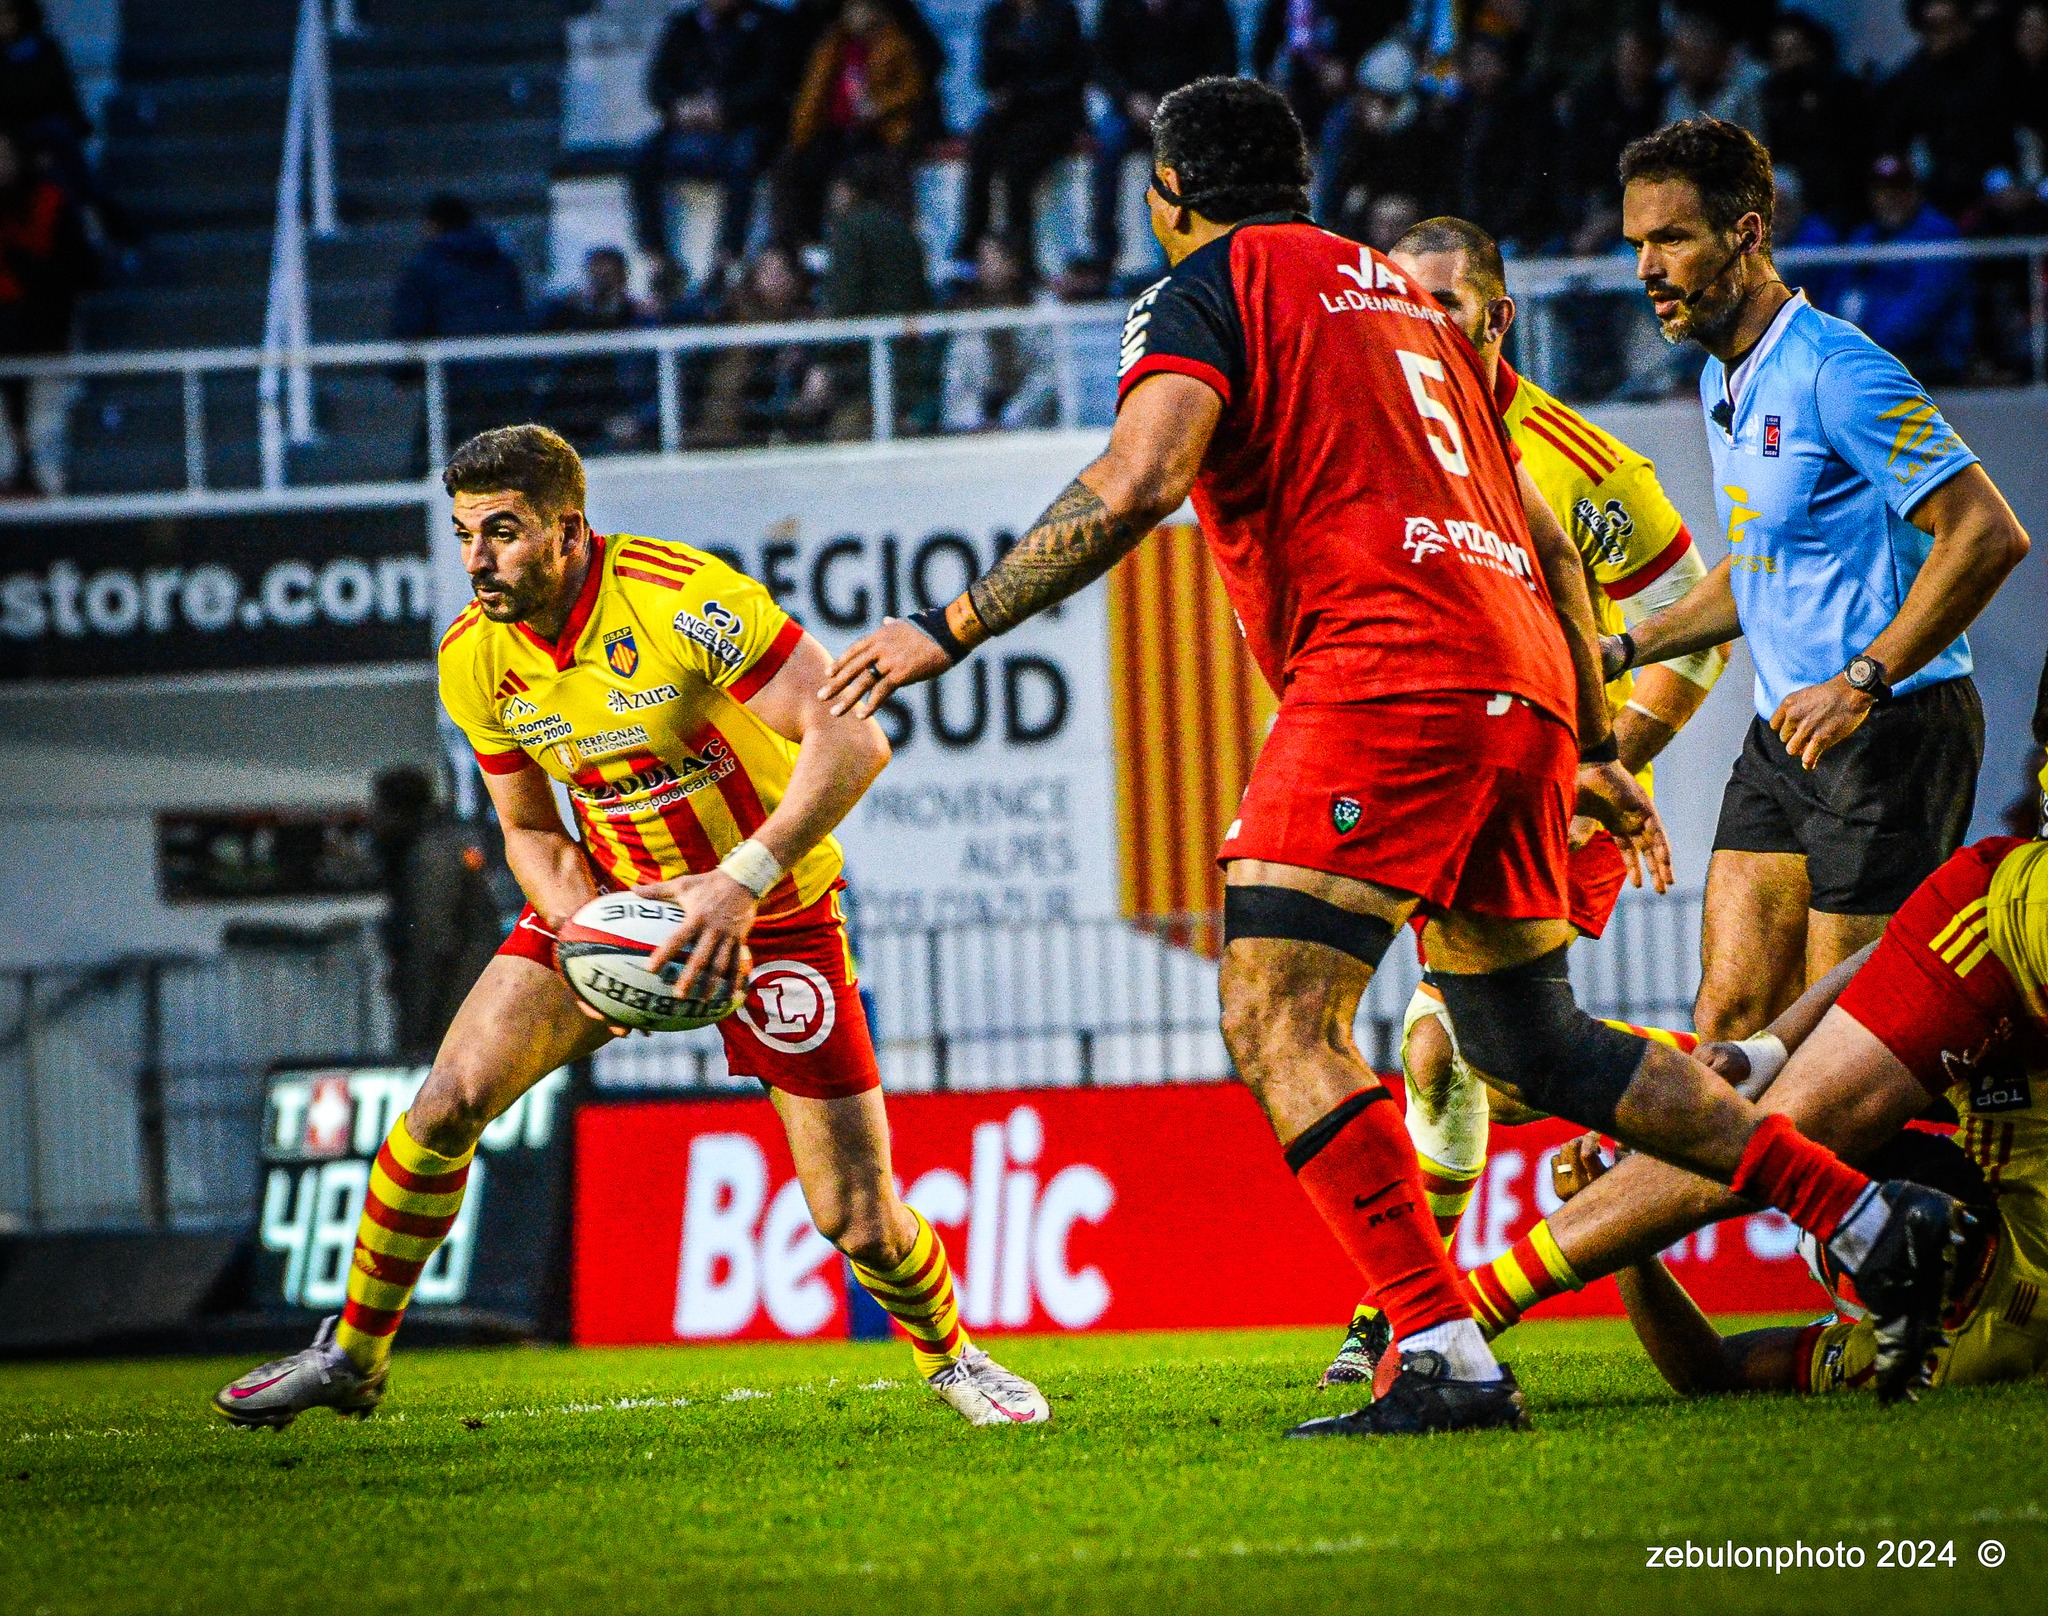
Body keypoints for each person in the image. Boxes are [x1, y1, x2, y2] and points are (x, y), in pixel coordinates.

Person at [823, 76, 1969, 1431]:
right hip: (1521, 678)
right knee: (1527, 1040)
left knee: (1274, 1010)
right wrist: (1588, 736)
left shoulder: (1208, 285)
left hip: (1389, 673)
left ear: (1168, 199)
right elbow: (1543, 535)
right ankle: (1857, 1212)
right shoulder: (1404, 300)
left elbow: (1138, 480)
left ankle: (1438, 1350)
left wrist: (944, 629)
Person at [214, 425, 1048, 1431]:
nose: (477, 559)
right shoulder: (474, 659)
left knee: (858, 1219)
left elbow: (854, 737)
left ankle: (954, 1357)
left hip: (772, 914)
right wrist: (584, 931)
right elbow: (523, 825)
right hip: (610, 904)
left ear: (568, 529)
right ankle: (351, 1353)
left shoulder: (676, 597)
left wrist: (739, 880)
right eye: (464, 533)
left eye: (503, 532)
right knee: (444, 1102)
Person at [1318, 214, 1731, 1390]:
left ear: (1494, 317)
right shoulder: (1379, 433)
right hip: (1443, 785)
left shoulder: (1584, 462)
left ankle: (1754, 1067)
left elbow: (1688, 635)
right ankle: (1404, 1314)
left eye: (1438, 305)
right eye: (1395, 304)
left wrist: (1609, 756)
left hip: (1561, 793)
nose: (1412, 327)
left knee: (1469, 1048)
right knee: (1442, 1059)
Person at [1606, 118, 2029, 1047]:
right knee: (1729, 1022)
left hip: (1892, 734)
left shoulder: (1839, 370)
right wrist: (1624, 647)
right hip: (1786, 735)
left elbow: (1988, 534)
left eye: (1671, 238)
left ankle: (1934, 1194)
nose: (1645, 267)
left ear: (1748, 235)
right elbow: (1759, 568)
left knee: (1846, 1048)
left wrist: (1862, 681)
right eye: (1637, 242)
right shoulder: (1729, 380)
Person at [1459, 829, 2048, 1406]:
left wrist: (1629, 1243)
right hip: (2008, 943)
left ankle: (1459, 1317)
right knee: (1775, 1111)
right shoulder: (1952, 1350)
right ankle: (1463, 1315)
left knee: (1768, 1125)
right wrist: (1769, 1049)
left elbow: (1713, 1367)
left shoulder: (1921, 1356)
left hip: (1997, 954)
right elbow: (1908, 944)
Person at [629, 0, 788, 287]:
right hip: (686, 125)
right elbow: (657, 85)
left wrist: (725, 108)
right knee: (643, 159)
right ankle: (657, 259)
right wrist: (680, 107)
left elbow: (771, 84)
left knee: (744, 159)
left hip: (745, 124)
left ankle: (727, 258)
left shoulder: (766, 24)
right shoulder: (683, 26)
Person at [1087, 0, 1240, 277]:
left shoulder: (1206, 7)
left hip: (1187, 109)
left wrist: (1184, 103)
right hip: (1133, 108)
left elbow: (1223, 62)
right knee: (1107, 144)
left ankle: (1177, 255)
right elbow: (1102, 63)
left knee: (1183, 155)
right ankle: (1104, 252)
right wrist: (1129, 99)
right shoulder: (1117, 7)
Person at [370, 766, 507, 1060]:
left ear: (398, 811)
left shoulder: (431, 856)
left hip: (454, 1019)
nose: (374, 821)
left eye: (379, 810)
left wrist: (416, 1036)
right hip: (466, 1012)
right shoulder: (440, 847)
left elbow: (432, 947)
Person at [769, 0, 928, 249]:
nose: (857, 14)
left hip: (880, 132)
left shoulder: (896, 42)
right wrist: (801, 134)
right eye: (852, 8)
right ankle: (792, 249)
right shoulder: (832, 44)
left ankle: (894, 248)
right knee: (792, 164)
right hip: (835, 131)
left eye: (863, 7)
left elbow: (913, 89)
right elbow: (811, 95)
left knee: (872, 170)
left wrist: (878, 107)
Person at [389, 195, 530, 462]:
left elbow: (411, 321)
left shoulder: (427, 265)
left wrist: (401, 372)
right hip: (508, 373)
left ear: (433, 224)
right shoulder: (502, 259)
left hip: (456, 378)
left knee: (435, 463)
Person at [953, 0, 1085, 280]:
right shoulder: (998, 16)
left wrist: (1025, 91)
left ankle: (1022, 258)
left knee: (1018, 169)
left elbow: (1072, 73)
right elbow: (988, 74)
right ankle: (971, 243)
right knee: (980, 148)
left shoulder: (1061, 13)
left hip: (1053, 109)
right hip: (1012, 109)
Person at [0, 127, 94, 497]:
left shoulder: (49, 202)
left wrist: (27, 267)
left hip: (43, 339)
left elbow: (82, 271)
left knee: (46, 450)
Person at [1831, 155, 1974, 384]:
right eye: (1882, 191)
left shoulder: (1938, 233)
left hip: (1929, 354)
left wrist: (1868, 348)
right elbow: (1837, 293)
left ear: (1915, 192)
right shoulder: (1864, 236)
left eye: (1899, 189)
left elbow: (1925, 306)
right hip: (1868, 355)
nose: (1890, 199)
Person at [1879, 0, 2006, 220]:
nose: (1940, 35)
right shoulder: (1912, 77)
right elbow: (1893, 138)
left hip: (1992, 186)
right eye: (1933, 27)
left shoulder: (1993, 68)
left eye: (1948, 25)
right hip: (1933, 191)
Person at [532, 246, 659, 454]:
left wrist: (639, 420)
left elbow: (658, 381)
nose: (603, 284)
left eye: (609, 277)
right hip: (572, 418)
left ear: (623, 278)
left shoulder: (641, 320)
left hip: (622, 418)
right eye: (595, 276)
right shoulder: (569, 317)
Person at [1759, 12, 1866, 231]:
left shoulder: (1844, 91)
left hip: (1843, 206)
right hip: (1791, 212)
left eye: (1796, 50)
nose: (1790, 62)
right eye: (1781, 54)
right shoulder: (1770, 99)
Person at [942, 236, 1059, 431]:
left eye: (993, 258)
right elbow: (959, 378)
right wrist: (973, 423)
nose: (985, 266)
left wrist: (1011, 419)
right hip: (978, 426)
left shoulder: (1043, 309)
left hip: (1033, 424)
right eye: (982, 259)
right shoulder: (969, 315)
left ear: (1013, 263)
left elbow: (1048, 374)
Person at [1661, 9, 1766, 138]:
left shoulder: (1745, 90)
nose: (1683, 64)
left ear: (1713, 52)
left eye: (1691, 56)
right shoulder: (1674, 96)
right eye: (1680, 55)